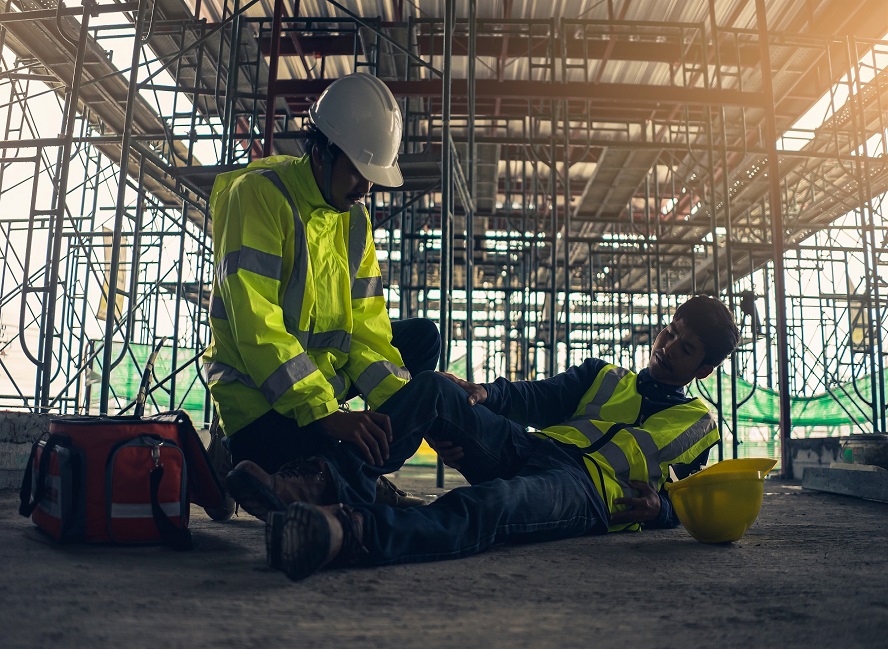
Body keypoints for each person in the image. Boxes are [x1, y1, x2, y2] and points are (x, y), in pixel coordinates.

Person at [227, 295, 740, 580]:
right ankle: (323, 482)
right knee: (433, 388)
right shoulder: (605, 375)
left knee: (491, 504)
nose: (668, 346)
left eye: (686, 347)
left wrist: (660, 511)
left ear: (706, 368)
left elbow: (688, 497)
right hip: (531, 447)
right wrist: (483, 394)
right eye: (670, 331)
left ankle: (347, 531)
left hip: (584, 492)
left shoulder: (697, 423)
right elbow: (538, 397)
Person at [202, 73, 439, 508]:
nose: (366, 188)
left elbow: (368, 330)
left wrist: (412, 411)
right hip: (259, 403)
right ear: (320, 152)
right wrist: (326, 414)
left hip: (322, 387)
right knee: (323, 447)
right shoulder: (258, 196)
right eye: (357, 172)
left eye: (372, 177)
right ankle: (265, 461)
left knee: (423, 340)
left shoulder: (355, 220)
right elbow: (258, 330)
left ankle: (334, 477)